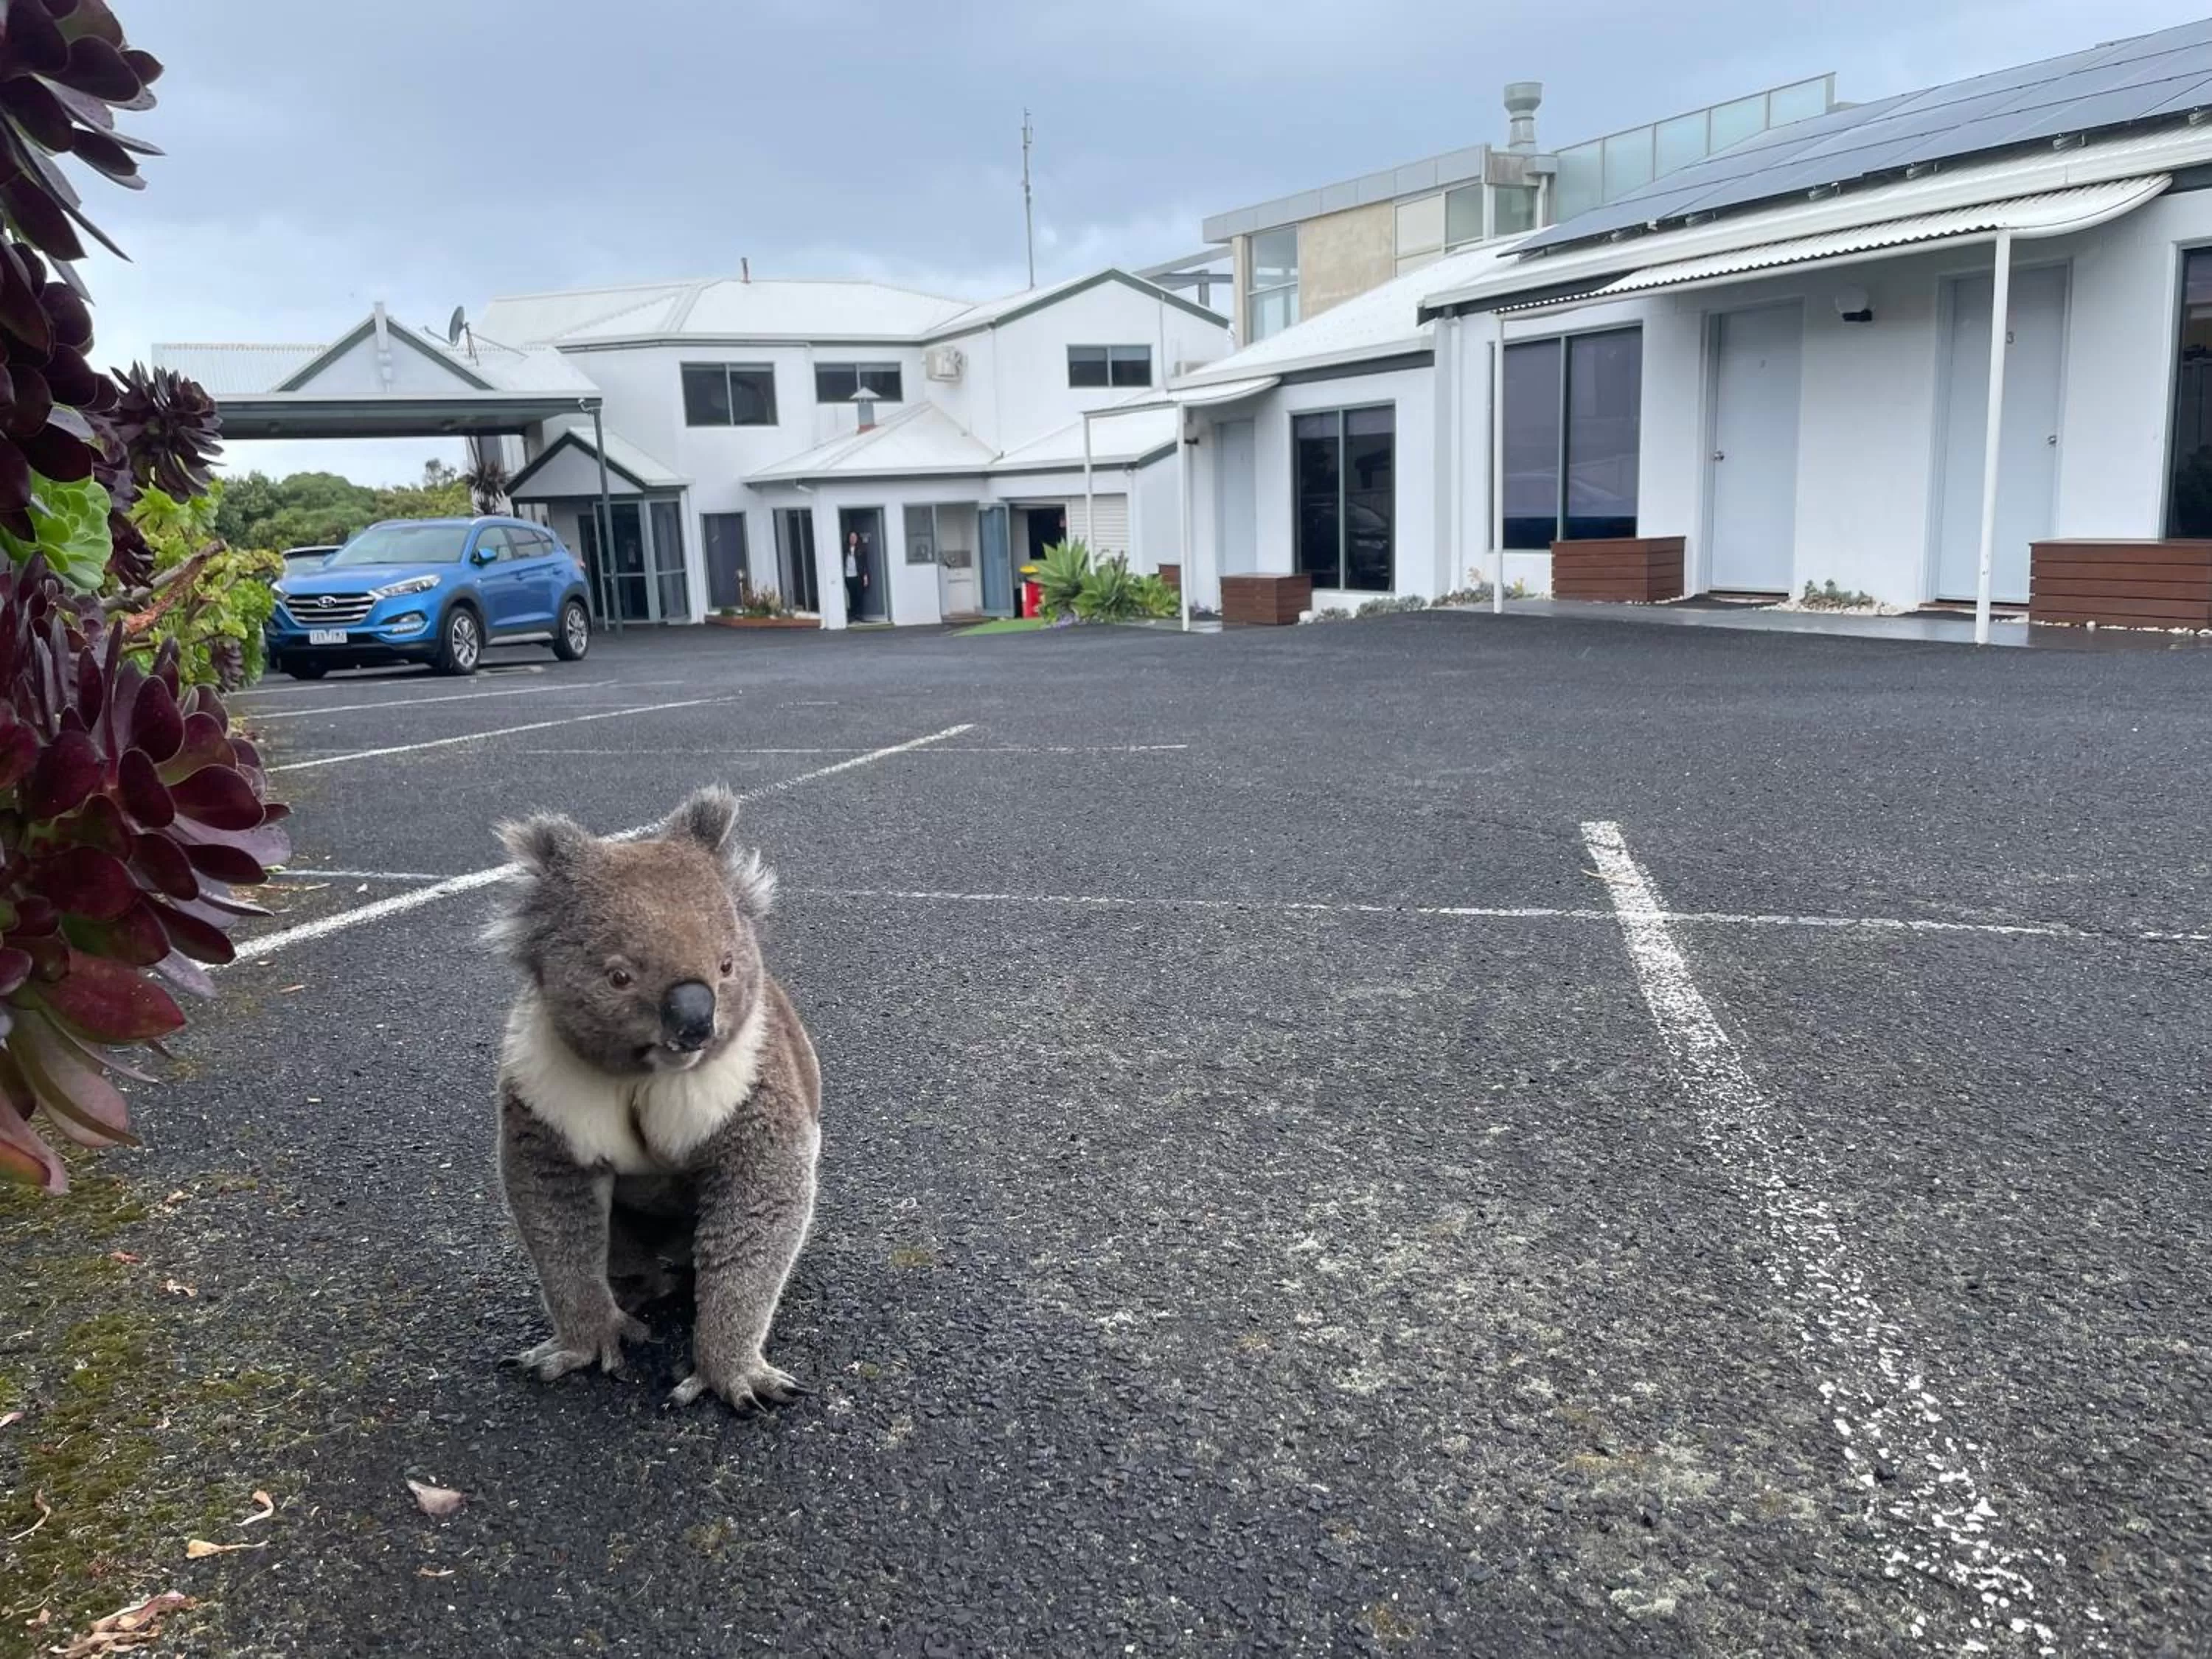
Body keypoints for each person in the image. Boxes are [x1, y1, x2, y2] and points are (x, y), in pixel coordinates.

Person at [844, 532, 869, 620]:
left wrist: (865, 577)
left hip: (858, 575)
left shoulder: (861, 549)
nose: (853, 539)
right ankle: (853, 614)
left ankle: (860, 614)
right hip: (848, 576)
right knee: (852, 596)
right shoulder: (845, 549)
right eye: (851, 537)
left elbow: (864, 564)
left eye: (854, 537)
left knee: (859, 595)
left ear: (857, 538)